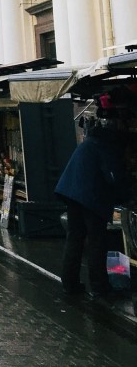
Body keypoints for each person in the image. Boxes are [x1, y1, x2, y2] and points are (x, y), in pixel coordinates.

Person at [55, 121, 129, 299]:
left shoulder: (90, 142)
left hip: (72, 195)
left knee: (75, 239)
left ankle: (69, 283)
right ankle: (99, 287)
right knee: (97, 242)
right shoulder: (105, 147)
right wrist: (126, 195)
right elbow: (112, 176)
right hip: (90, 198)